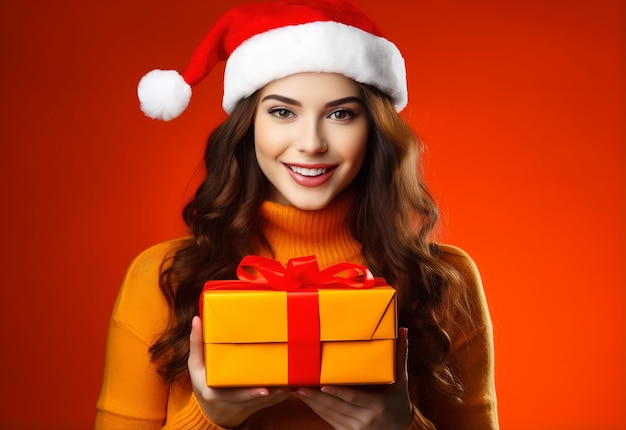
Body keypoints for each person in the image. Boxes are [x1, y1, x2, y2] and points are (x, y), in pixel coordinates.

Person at [95, 0, 499, 428]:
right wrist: (208, 419)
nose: (311, 143)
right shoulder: (163, 277)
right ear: (248, 125)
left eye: (341, 114)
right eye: (283, 111)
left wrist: (401, 427)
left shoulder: (444, 279)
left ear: (374, 129)